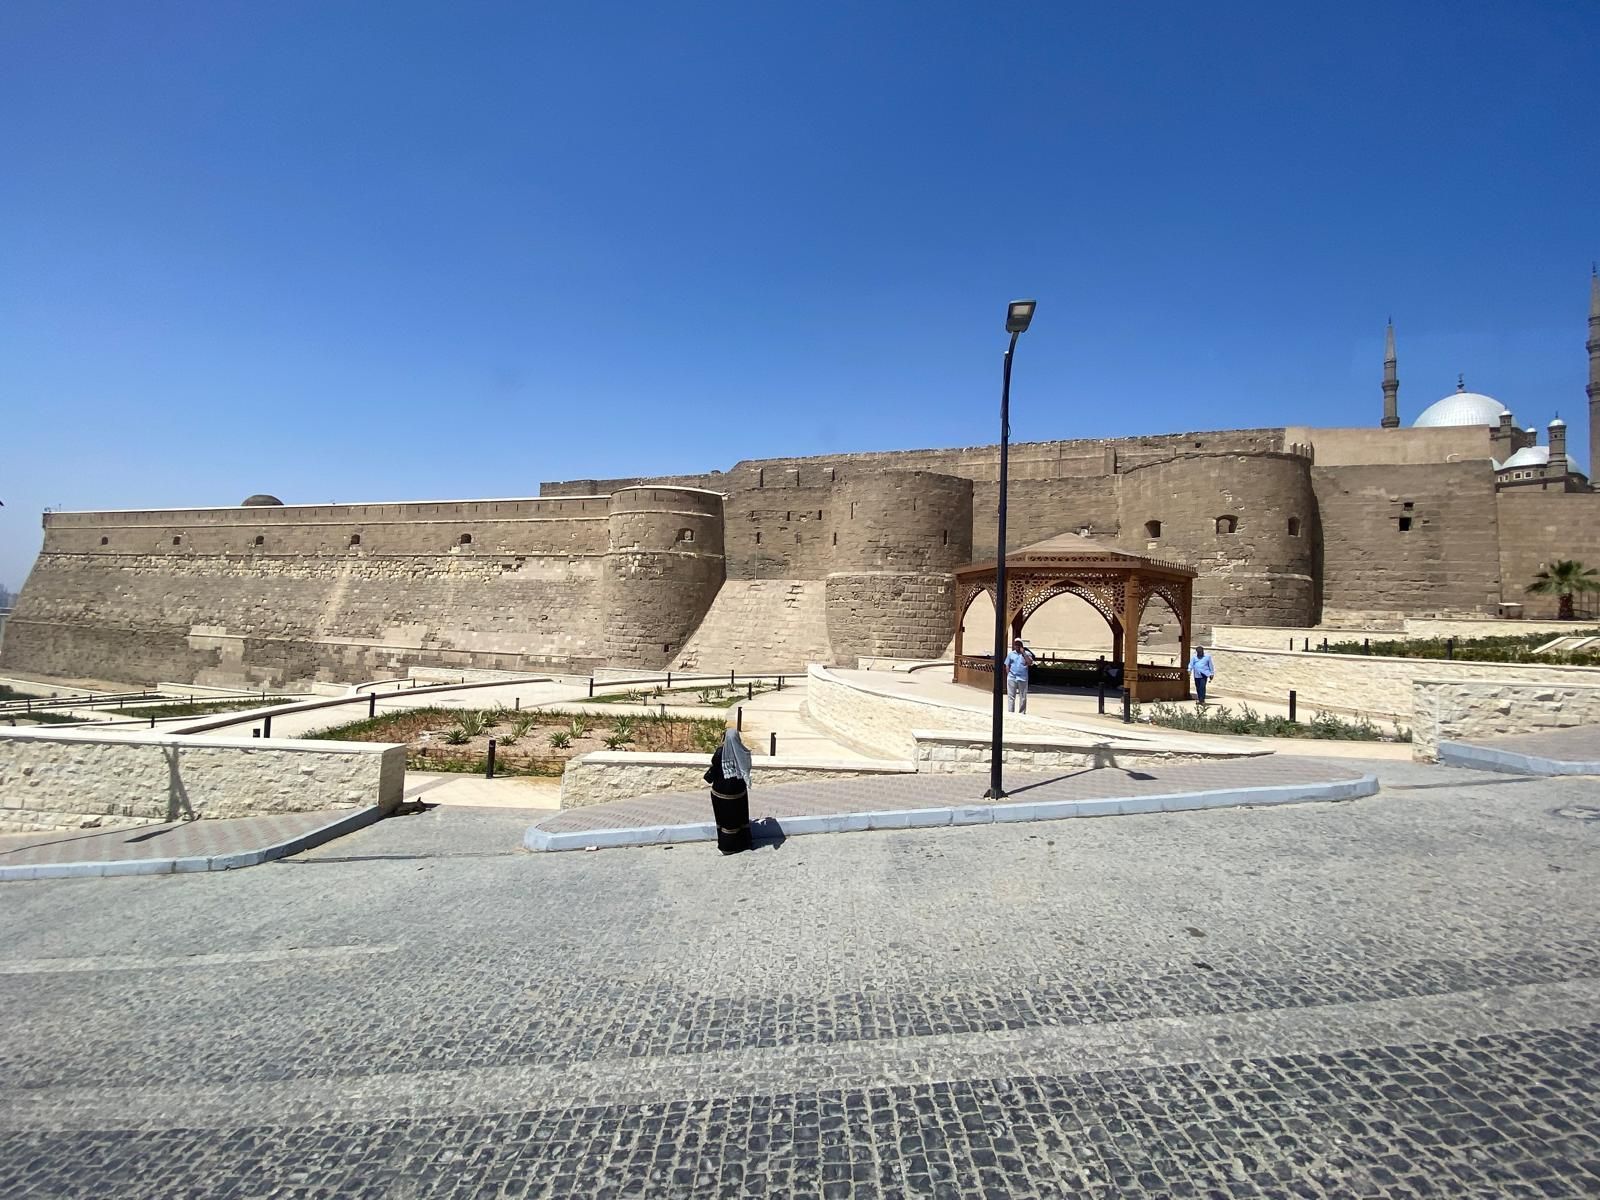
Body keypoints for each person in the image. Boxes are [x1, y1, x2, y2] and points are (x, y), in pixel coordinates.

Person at [703, 727, 754, 854]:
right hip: (739, 793)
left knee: (726, 820)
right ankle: (743, 843)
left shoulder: (720, 752)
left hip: (722, 794)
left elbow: (714, 766)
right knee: (739, 818)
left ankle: (727, 847)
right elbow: (747, 768)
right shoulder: (742, 751)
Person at [1002, 637, 1036, 714]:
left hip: (1022, 677)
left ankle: (1022, 712)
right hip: (1012, 677)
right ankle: (1011, 711)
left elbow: (1030, 662)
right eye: (1016, 644)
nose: (1017, 646)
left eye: (1019, 644)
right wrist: (1008, 674)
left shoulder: (1027, 654)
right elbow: (1007, 665)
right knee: (1011, 696)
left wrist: (1024, 653)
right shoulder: (1011, 654)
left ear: (1021, 645)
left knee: (1023, 696)